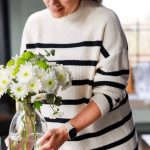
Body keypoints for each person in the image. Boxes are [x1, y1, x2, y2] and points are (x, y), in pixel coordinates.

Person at [6, 0, 138, 149]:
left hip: (110, 143)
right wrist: (24, 133)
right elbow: (27, 88)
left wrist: (65, 131)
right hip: (56, 145)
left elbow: (109, 91)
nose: (52, 2)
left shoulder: (105, 20)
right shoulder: (34, 24)